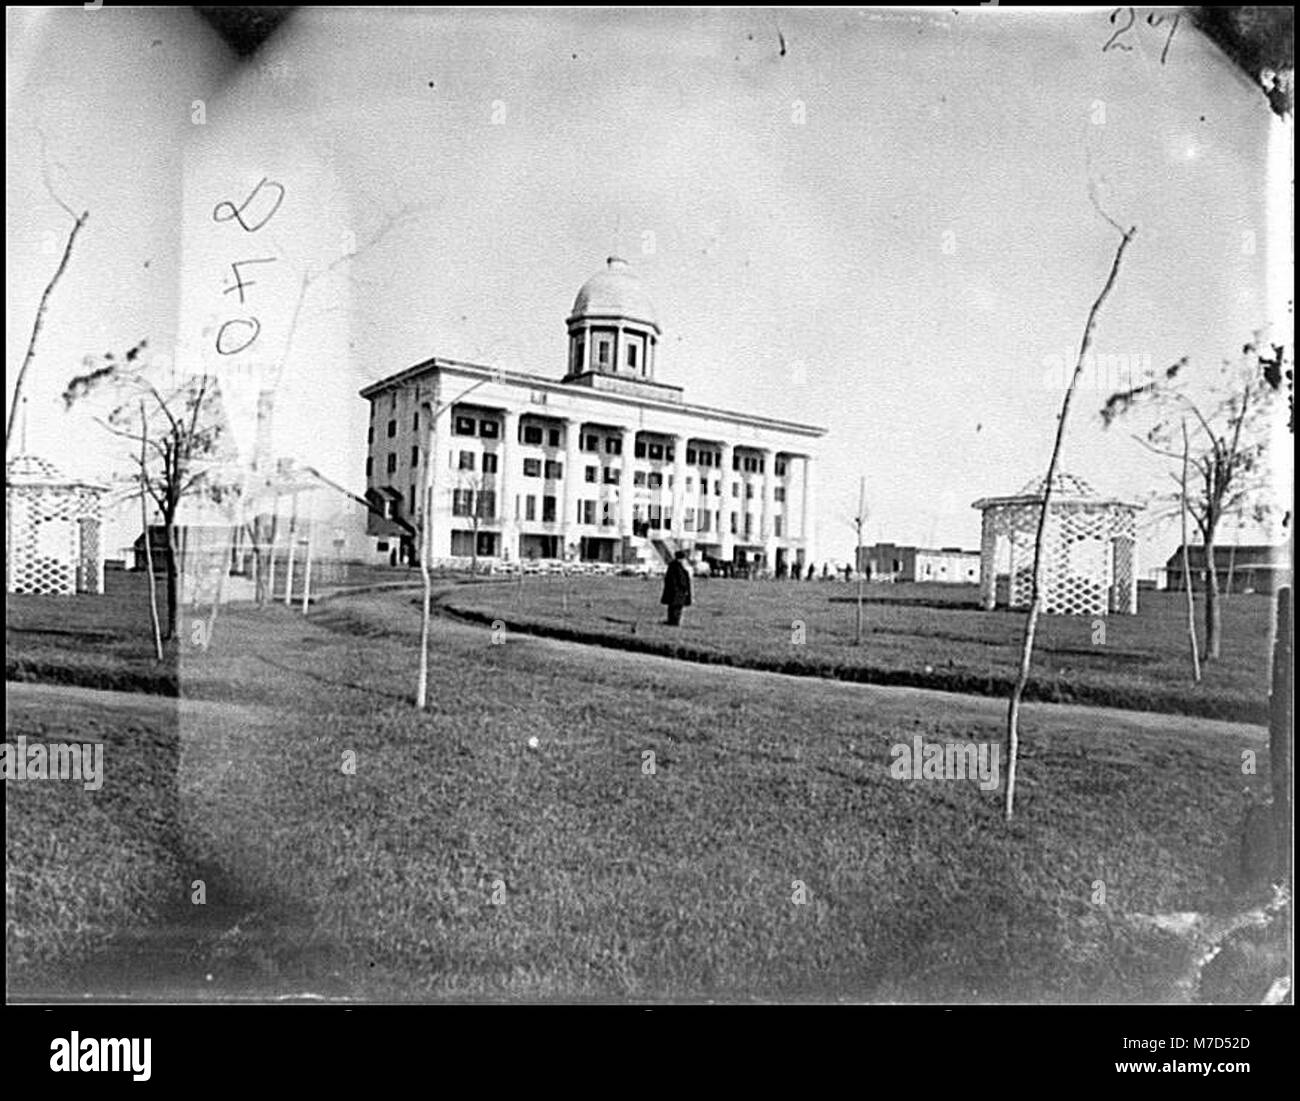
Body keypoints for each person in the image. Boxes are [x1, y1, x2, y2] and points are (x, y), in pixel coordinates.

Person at [661, 549, 693, 626]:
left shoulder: (675, 566)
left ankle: (673, 621)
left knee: (675, 607)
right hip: (676, 591)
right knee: (675, 607)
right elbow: (679, 579)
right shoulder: (676, 567)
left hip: (677, 591)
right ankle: (674, 621)